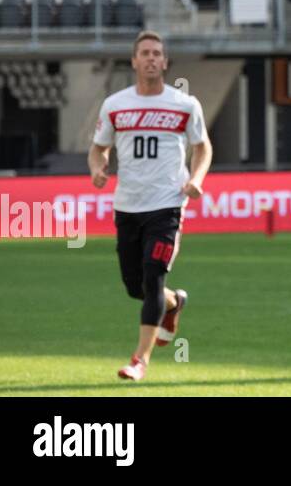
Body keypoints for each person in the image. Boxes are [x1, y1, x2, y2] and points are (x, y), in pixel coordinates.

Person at [88, 30, 211, 382]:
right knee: (135, 286)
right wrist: (98, 168)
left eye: (157, 53)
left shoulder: (185, 104)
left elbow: (203, 147)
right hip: (128, 205)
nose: (152, 58)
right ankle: (175, 304)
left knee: (153, 278)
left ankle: (139, 359)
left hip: (167, 204)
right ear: (134, 61)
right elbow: (99, 147)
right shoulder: (115, 104)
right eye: (145, 53)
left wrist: (197, 177)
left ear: (165, 62)